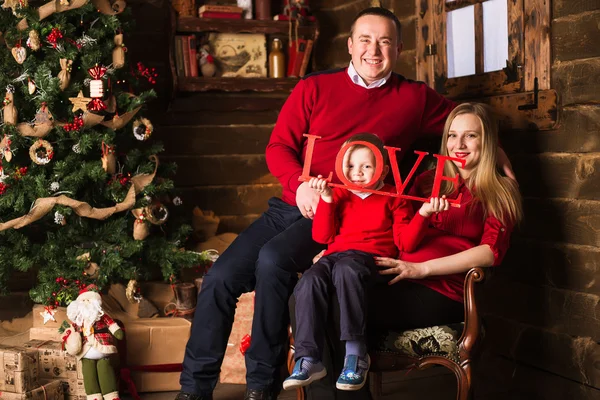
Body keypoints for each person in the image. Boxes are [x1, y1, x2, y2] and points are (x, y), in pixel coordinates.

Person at [175, 7, 514, 400]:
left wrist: (499, 154)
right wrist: (298, 183)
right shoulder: (314, 88)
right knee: (220, 278)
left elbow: (466, 127)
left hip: (343, 211)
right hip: (292, 203)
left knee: (273, 262)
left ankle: (260, 387)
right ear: (350, 46)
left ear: (398, 48)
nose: (374, 50)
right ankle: (194, 389)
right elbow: (278, 147)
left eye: (385, 42)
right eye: (365, 40)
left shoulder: (415, 97)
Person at [283, 134, 449, 392]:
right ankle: (309, 358)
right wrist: (326, 200)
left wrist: (424, 214)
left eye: (366, 166)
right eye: (350, 166)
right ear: (341, 167)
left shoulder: (393, 195)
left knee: (347, 268)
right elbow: (322, 237)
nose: (357, 173)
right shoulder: (337, 194)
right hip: (335, 257)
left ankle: (356, 355)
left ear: (381, 167)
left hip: (369, 260)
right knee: (310, 280)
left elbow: (406, 243)